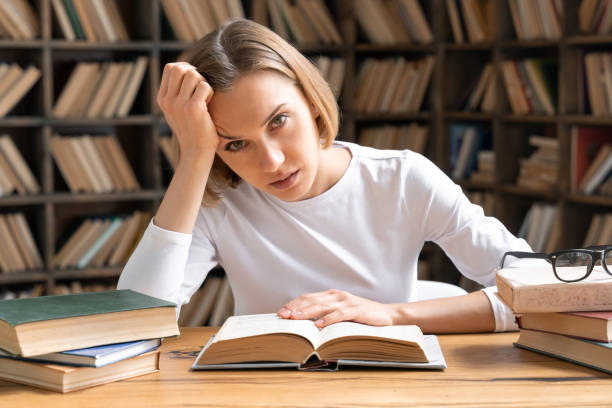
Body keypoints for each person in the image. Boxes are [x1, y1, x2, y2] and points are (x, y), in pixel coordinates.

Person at [117, 18, 531, 333]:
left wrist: (391, 314)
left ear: (312, 102)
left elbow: (542, 293)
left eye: (279, 120)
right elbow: (135, 322)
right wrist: (194, 157)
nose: (273, 162)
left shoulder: (402, 179)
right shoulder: (220, 200)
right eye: (235, 144)